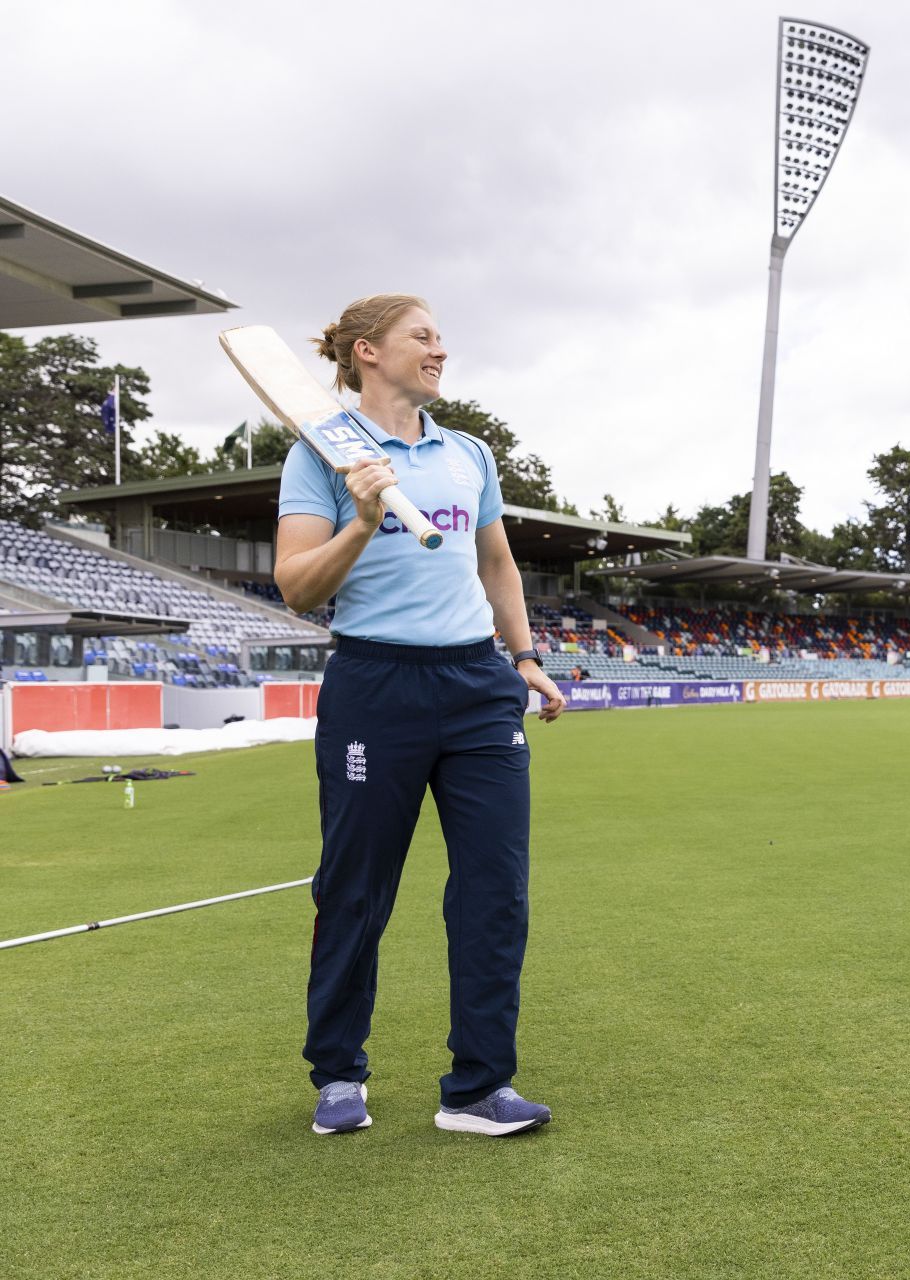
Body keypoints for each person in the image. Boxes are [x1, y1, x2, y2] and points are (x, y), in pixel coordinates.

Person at [275, 294, 566, 1138]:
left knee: (495, 892)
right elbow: (299, 587)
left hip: (478, 685)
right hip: (376, 684)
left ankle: (477, 1089)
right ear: (368, 352)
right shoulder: (319, 455)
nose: (441, 349)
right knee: (356, 891)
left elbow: (497, 564)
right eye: (423, 337)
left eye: (441, 337)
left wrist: (525, 658)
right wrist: (363, 518)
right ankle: (338, 1074)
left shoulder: (469, 453)